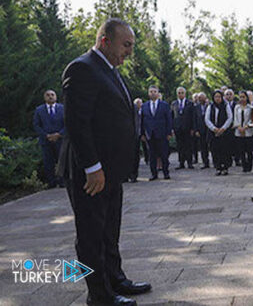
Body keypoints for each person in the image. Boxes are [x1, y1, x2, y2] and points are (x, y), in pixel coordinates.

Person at [60, 18, 151, 306]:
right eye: (126, 45)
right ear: (105, 41)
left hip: (110, 171)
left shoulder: (108, 70)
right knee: (91, 234)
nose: (129, 52)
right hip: (92, 173)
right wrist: (92, 167)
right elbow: (77, 123)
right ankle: (99, 295)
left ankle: (115, 280)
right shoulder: (82, 68)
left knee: (109, 229)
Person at [32, 89, 65, 188]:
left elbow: (68, 123)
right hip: (46, 141)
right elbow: (36, 125)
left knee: (62, 162)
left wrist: (59, 134)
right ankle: (51, 183)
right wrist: (46, 135)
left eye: (52, 94)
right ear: (44, 97)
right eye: (48, 95)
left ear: (56, 96)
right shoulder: (39, 110)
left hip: (60, 140)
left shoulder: (63, 108)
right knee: (48, 162)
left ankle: (63, 181)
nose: (50, 96)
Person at [141, 86, 172, 180]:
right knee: (152, 155)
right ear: (148, 93)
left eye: (155, 91)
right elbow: (142, 120)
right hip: (150, 134)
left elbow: (169, 120)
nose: (153, 93)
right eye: (151, 91)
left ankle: (166, 173)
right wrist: (142, 134)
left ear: (158, 93)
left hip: (162, 134)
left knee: (164, 154)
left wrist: (169, 132)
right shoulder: (144, 106)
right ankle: (153, 174)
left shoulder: (164, 105)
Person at [205, 90, 233, 176]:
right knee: (215, 150)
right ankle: (218, 167)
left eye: (219, 97)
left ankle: (225, 167)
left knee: (225, 150)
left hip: (224, 132)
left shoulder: (226, 106)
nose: (217, 99)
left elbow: (230, 117)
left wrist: (223, 128)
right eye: (216, 97)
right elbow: (207, 119)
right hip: (213, 132)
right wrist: (214, 128)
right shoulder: (210, 106)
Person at [171, 86, 196, 170]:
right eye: (179, 93)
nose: (180, 94)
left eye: (182, 93)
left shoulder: (190, 103)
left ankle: (189, 162)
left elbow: (193, 116)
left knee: (188, 146)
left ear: (185, 94)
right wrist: (172, 128)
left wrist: (193, 128)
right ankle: (181, 163)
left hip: (188, 128)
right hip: (178, 128)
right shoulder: (174, 104)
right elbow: (172, 116)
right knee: (180, 146)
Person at [232, 91, 253, 173]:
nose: (242, 99)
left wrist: (245, 127)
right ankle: (244, 166)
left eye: (243, 97)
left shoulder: (250, 107)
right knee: (241, 150)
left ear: (246, 98)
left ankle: (249, 166)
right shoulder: (236, 107)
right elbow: (235, 118)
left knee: (249, 150)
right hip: (238, 131)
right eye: (240, 97)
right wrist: (239, 127)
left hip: (248, 131)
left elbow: (252, 119)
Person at [194, 92, 211, 169]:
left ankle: (215, 161)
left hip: (209, 129)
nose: (200, 99)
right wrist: (196, 130)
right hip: (200, 130)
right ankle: (205, 163)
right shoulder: (196, 107)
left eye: (202, 97)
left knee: (211, 146)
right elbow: (194, 119)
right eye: (199, 98)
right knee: (203, 147)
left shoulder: (209, 106)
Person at [224, 89, 238, 167]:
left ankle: (237, 160)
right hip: (226, 128)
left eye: (230, 94)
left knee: (236, 144)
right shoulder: (223, 105)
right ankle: (228, 161)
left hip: (235, 127)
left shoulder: (237, 104)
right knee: (227, 145)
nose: (229, 96)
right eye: (227, 94)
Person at [190, 93, 200, 165]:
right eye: (194, 97)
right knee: (194, 145)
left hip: (201, 128)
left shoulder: (202, 105)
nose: (196, 98)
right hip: (194, 128)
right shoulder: (191, 105)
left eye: (197, 97)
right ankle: (195, 158)